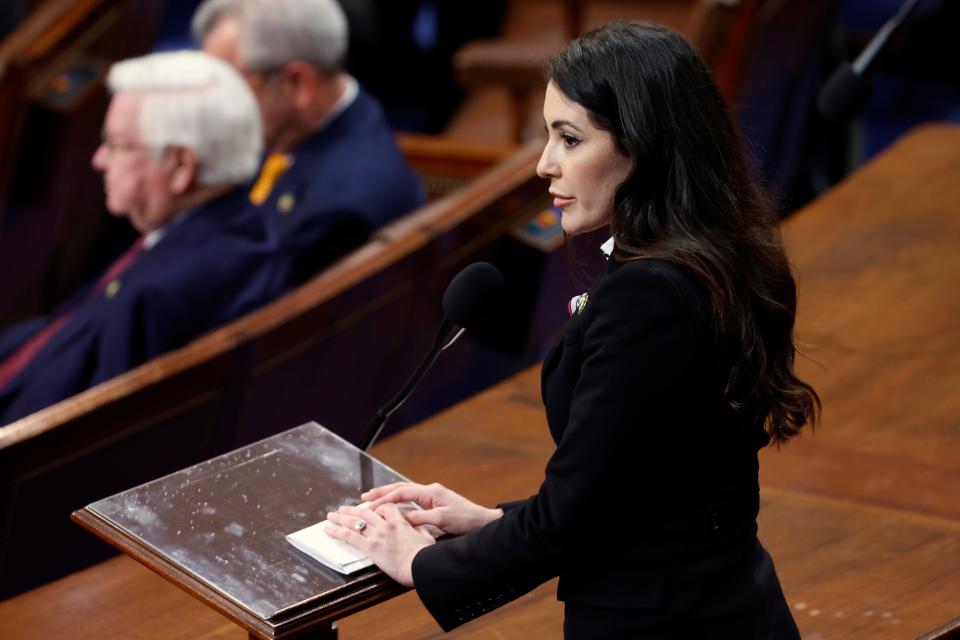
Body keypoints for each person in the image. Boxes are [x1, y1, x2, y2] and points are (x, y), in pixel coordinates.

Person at [324, 21, 821, 638]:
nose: (543, 165)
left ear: (645, 146)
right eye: (546, 135)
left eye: (569, 138)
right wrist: (487, 521)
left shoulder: (649, 296)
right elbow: (638, 489)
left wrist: (418, 560)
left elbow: (575, 519)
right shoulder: (722, 255)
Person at [0, 50, 286, 426]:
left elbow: (78, 433)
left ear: (181, 166)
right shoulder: (237, 224)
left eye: (118, 144)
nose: (99, 159)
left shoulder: (159, 295)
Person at [192, 0, 426, 287]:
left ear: (297, 84)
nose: (214, 108)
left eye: (229, 88)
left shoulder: (334, 211)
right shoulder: (321, 122)